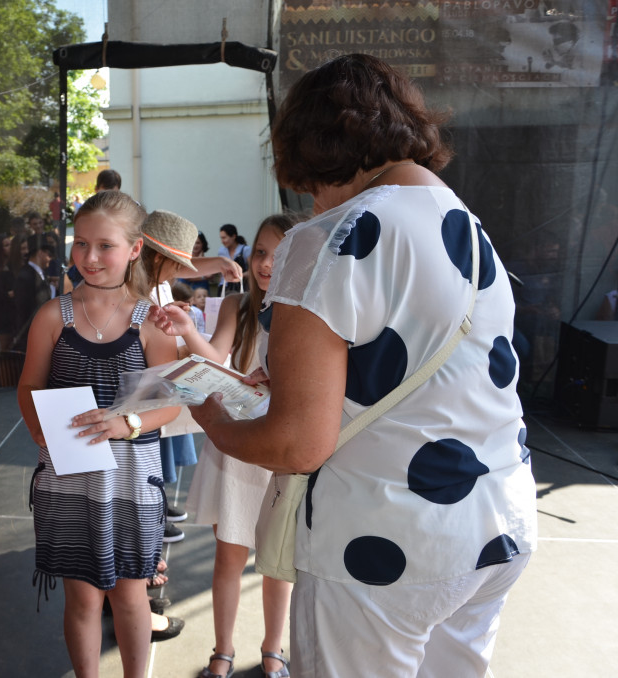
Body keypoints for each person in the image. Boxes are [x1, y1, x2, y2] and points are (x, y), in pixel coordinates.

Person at [183, 53, 537, 677]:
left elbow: (297, 444)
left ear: (320, 150)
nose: (310, 197)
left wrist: (206, 412)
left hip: (383, 544)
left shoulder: (328, 236)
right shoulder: (468, 225)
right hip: (495, 523)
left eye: (308, 181)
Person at [17, 192, 186, 677]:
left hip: (132, 482)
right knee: (81, 597)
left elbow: (170, 404)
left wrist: (124, 423)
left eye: (105, 246)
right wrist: (39, 428)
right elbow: (29, 384)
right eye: (81, 244)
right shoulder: (53, 317)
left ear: (135, 249)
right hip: (69, 480)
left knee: (132, 595)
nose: (90, 258)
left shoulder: (150, 326)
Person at [155, 213, 305, 678]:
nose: (266, 263)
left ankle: (273, 650)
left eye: (279, 255)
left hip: (278, 449)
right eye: (260, 252)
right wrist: (186, 331)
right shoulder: (239, 304)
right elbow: (214, 357)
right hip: (233, 440)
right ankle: (222, 651)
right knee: (229, 554)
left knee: (278, 561)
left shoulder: (305, 312)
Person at [13, 233, 55, 351]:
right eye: (49, 254)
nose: (50, 258)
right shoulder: (25, 277)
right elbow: (25, 312)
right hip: (31, 342)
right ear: (40, 253)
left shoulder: (39, 274)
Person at [0, 233, 19, 350]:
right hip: (1, 313)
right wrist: (11, 293)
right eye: (6, 245)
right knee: (5, 346)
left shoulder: (14, 264)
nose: (10, 247)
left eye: (11, 244)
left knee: (14, 344)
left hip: (14, 311)